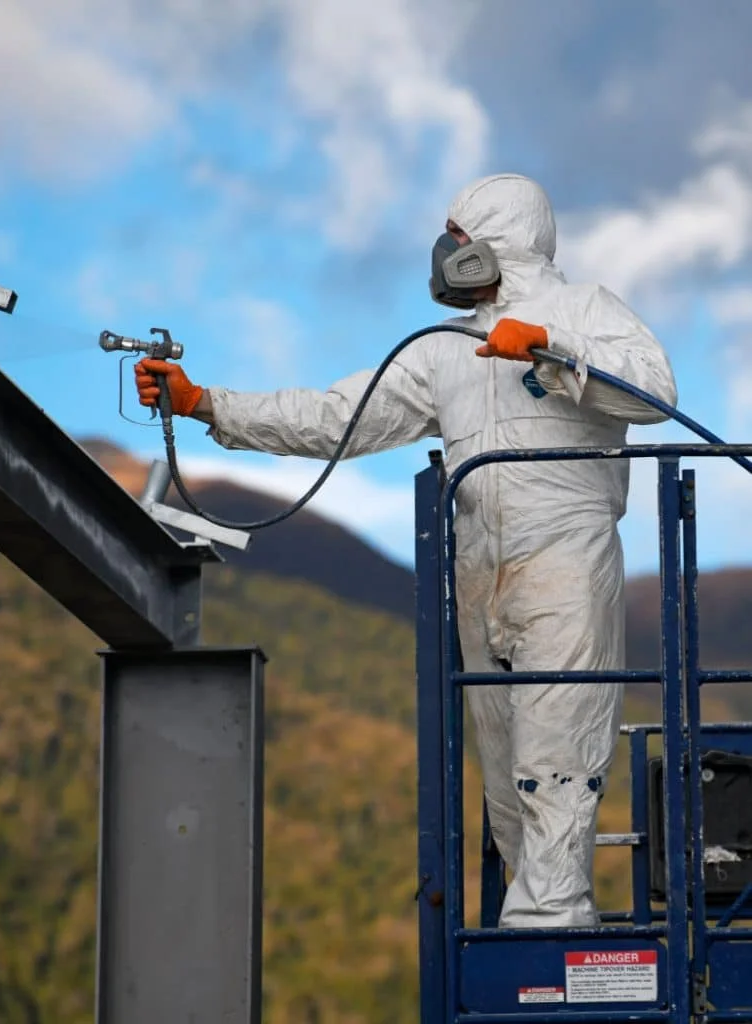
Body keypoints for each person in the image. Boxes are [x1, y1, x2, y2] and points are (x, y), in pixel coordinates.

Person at [134, 173, 677, 928]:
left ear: (496, 238)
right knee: (505, 777)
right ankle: (539, 920)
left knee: (558, 752)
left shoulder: (585, 308)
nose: (448, 250)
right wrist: (207, 405)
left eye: (458, 234)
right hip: (481, 572)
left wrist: (553, 348)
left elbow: (653, 393)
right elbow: (337, 418)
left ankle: (546, 934)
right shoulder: (447, 351)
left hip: (564, 559)